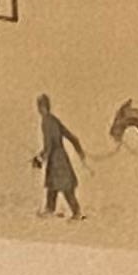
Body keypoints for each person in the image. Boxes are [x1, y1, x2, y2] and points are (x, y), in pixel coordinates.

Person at [32, 91, 86, 219]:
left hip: (56, 159)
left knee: (63, 186)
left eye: (40, 106)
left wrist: (40, 159)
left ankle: (76, 212)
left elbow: (48, 145)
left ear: (42, 107)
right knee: (53, 185)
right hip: (61, 156)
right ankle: (50, 209)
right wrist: (79, 150)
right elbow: (71, 136)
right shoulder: (54, 119)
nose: (39, 109)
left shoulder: (45, 122)